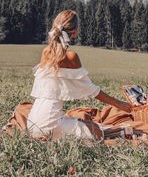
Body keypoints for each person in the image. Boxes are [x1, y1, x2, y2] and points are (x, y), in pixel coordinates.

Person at [27, 10, 131, 140]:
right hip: (49, 125)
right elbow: (91, 90)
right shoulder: (71, 56)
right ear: (75, 32)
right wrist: (119, 104)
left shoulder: (45, 52)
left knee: (87, 124)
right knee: (97, 131)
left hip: (32, 122)